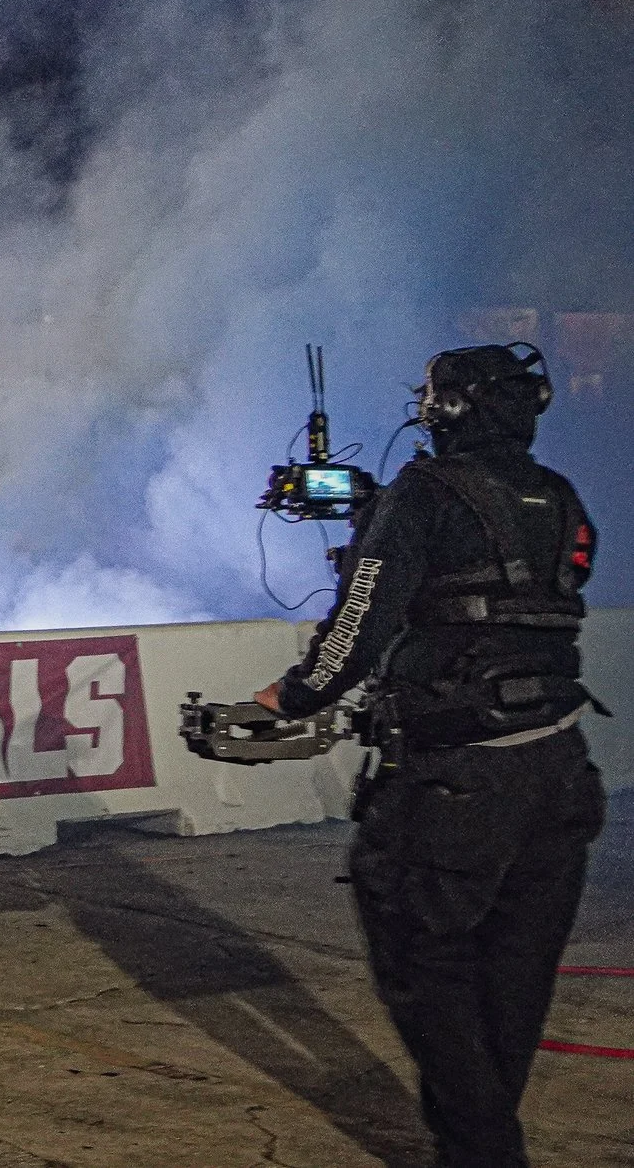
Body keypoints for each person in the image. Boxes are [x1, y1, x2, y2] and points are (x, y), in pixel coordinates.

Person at [255, 343, 603, 1168]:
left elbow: (360, 620)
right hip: (561, 771)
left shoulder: (422, 492)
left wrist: (295, 694)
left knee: (420, 956)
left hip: (458, 779)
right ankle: (477, 1144)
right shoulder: (560, 495)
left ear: (448, 408)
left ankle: (484, 1151)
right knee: (514, 974)